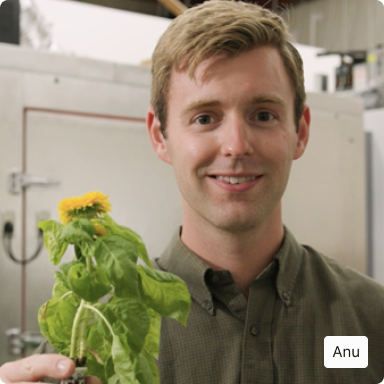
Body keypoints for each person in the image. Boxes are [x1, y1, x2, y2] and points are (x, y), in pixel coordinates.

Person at [1, 1, 384, 383]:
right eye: (205, 118)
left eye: (263, 115)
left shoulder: (369, 318)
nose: (236, 145)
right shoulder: (93, 335)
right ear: (159, 136)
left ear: (300, 132)